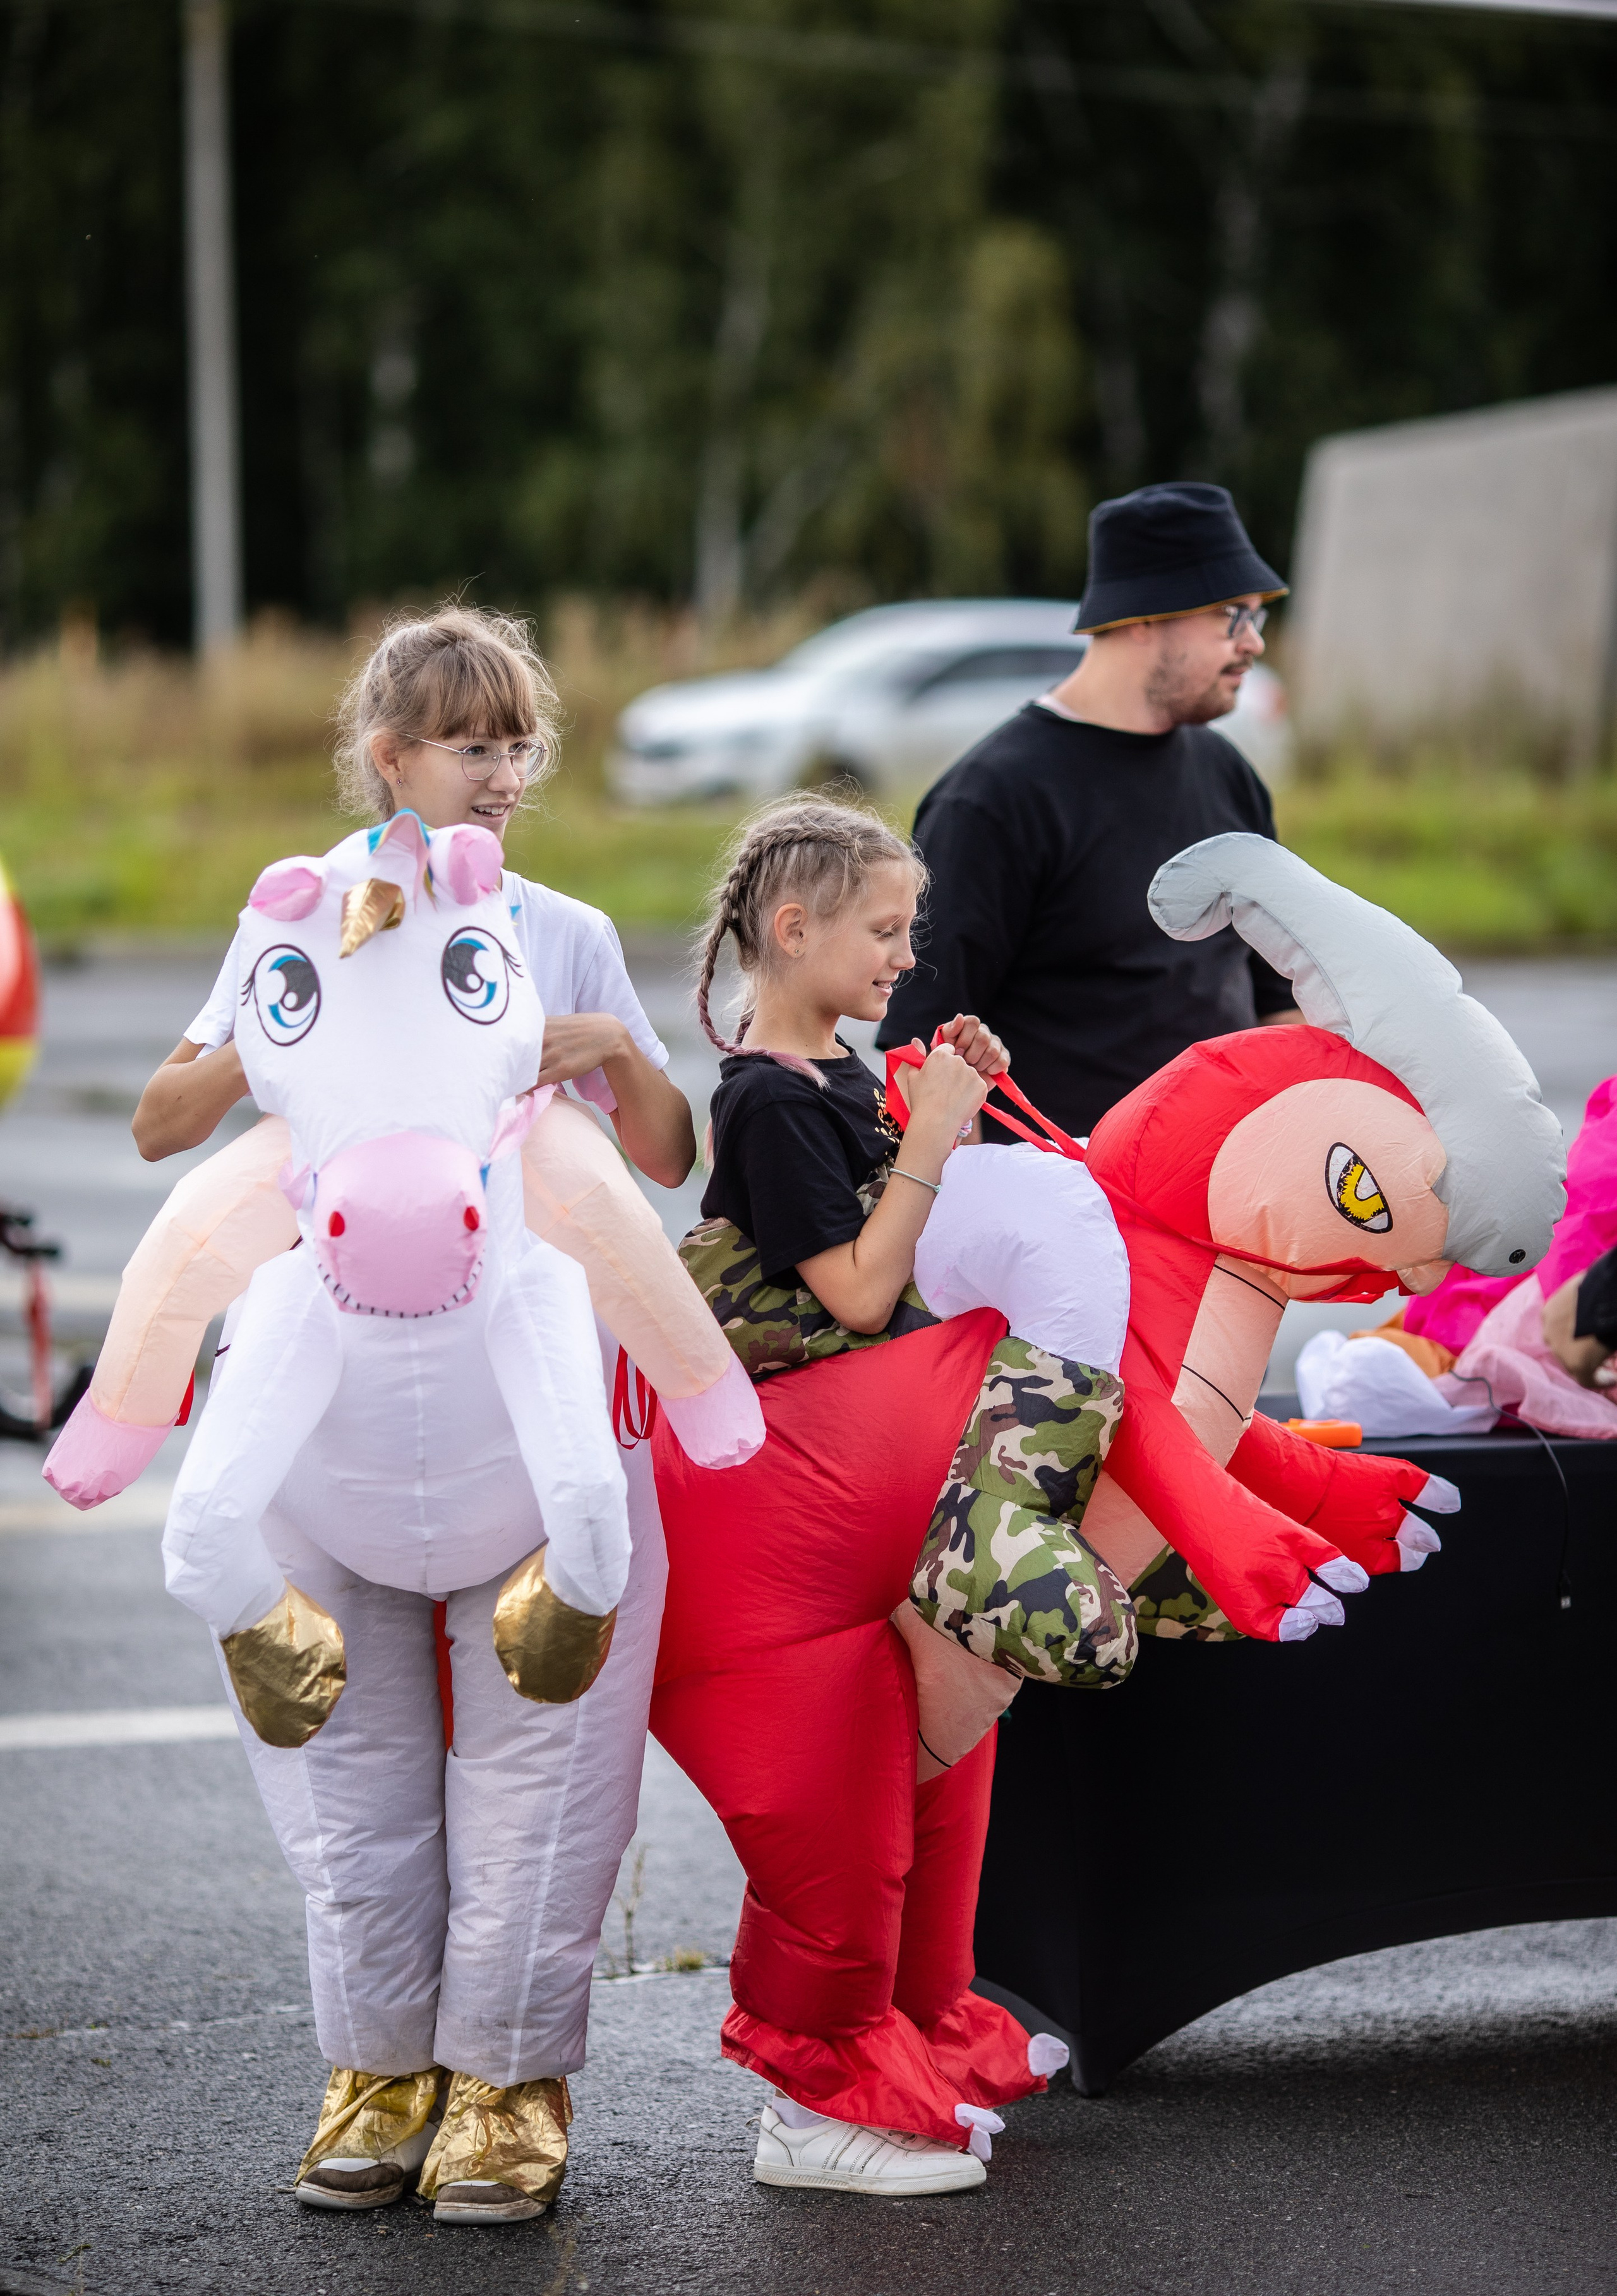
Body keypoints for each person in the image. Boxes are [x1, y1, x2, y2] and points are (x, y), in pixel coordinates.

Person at [130, 607, 695, 2225]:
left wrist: (590, 1044)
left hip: (532, 1423)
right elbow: (169, 1116)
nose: (504, 769)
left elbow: (665, 1150)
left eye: (519, 738)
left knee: (549, 1772)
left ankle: (509, 2086)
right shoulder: (294, 910)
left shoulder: (564, 925)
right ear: (391, 756)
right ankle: (375, 2072)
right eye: (471, 740)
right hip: (330, 1418)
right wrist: (287, 1016)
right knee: (345, 1773)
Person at [651, 797, 1133, 2200]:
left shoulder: (847, 1080)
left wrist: (944, 1100)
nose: (902, 956)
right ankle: (814, 2099)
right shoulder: (763, 1101)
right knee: (848, 1816)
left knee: (941, 1795)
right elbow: (858, 1291)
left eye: (909, 928)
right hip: (794, 1504)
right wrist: (928, 1140)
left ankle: (915, 2042)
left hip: (898, 1497)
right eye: (881, 929)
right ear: (789, 931)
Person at [875, 481, 1301, 1137]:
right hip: (1073, 1207)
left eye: (1257, 618)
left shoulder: (1227, 774)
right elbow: (923, 1057)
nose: (1254, 644)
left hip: (1232, 1195)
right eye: (1231, 616)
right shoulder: (992, 800)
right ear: (1142, 617)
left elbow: (1279, 1005)